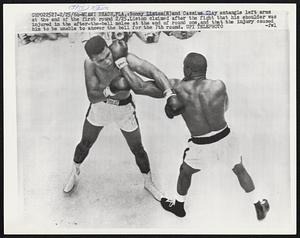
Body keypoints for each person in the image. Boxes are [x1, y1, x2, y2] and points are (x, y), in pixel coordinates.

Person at [116, 50, 270, 221]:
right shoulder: (219, 85)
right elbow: (225, 107)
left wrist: (122, 63)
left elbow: (140, 87)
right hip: (226, 137)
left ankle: (179, 207)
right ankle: (258, 203)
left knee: (185, 172)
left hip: (201, 145)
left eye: (184, 67)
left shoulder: (177, 88)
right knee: (239, 169)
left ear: (188, 70)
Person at [63, 35, 174, 202]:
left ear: (109, 48)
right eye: (100, 60)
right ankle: (75, 171)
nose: (107, 61)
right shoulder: (89, 64)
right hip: (100, 107)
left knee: (138, 148)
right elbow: (92, 96)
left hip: (124, 109)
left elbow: (153, 72)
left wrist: (169, 94)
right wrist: (110, 90)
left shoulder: (124, 57)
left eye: (108, 55)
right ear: (92, 60)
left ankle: (148, 181)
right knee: (85, 143)